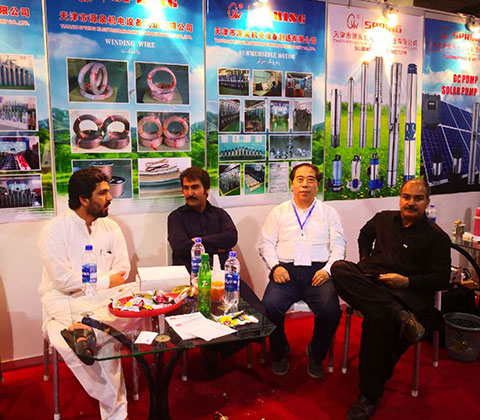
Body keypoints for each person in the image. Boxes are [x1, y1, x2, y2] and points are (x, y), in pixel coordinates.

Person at [331, 179, 451, 420]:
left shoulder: (437, 237)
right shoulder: (383, 219)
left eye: (418, 198)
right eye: (406, 197)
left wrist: (406, 281)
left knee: (376, 324)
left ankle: (368, 396)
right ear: (400, 198)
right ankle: (398, 316)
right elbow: (365, 234)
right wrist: (365, 258)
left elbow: (442, 279)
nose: (411, 202)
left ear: (427, 202)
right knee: (339, 268)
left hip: (406, 294)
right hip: (373, 284)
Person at [38, 168, 130, 420]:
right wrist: (105, 280)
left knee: (135, 297)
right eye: (103, 193)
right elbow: (63, 281)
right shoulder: (54, 230)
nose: (110, 197)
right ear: (83, 199)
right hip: (64, 300)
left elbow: (123, 271)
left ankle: (81, 331)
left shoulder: (111, 228)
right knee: (106, 339)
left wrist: (97, 284)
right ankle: (116, 412)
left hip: (104, 300)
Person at [259, 163, 346, 378]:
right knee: (270, 307)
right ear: (292, 184)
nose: (305, 184)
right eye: (300, 179)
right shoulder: (279, 212)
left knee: (331, 311)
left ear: (317, 185)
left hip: (318, 272)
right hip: (285, 271)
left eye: (310, 180)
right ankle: (280, 351)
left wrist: (328, 271)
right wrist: (275, 267)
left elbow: (339, 247)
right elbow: (266, 244)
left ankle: (316, 353)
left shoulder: (329, 213)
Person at [167, 166, 237, 270]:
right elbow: (181, 247)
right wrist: (216, 249)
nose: (190, 193)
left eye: (195, 187)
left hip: (221, 274)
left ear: (206, 190)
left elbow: (231, 238)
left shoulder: (220, 214)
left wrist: (197, 241)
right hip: (189, 274)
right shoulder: (175, 217)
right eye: (186, 188)